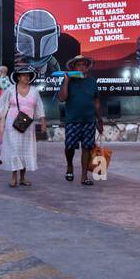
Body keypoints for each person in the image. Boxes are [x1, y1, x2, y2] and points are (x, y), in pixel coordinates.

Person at [0, 66, 45, 188]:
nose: (26, 77)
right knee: (15, 149)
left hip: (28, 125)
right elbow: (2, 104)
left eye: (28, 76)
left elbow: (40, 107)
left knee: (25, 150)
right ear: (18, 77)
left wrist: (43, 122)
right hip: (12, 125)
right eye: (23, 75)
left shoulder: (34, 91)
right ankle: (13, 178)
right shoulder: (11, 90)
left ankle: (23, 178)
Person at [58, 55, 103, 186]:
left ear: (87, 67)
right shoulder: (69, 82)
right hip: (73, 120)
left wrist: (99, 120)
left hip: (89, 120)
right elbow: (62, 98)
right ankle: (70, 166)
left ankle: (84, 176)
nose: (81, 67)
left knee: (87, 148)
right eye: (78, 65)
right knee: (69, 146)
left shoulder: (92, 82)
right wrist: (66, 80)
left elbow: (97, 103)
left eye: (84, 64)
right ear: (74, 67)